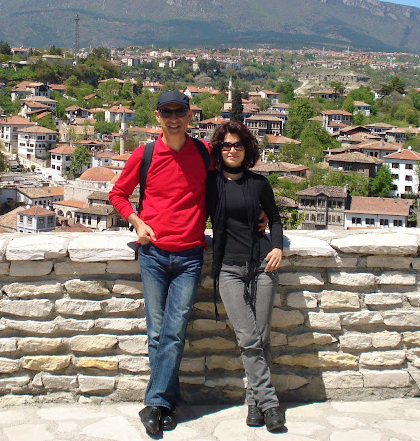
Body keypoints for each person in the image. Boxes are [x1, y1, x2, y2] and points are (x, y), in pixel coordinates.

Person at [108, 90, 209, 436]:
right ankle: (167, 402)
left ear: (190, 115)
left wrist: (261, 215)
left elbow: (229, 185)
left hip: (190, 254)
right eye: (167, 112)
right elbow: (117, 194)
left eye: (179, 111)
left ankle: (154, 403)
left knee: (174, 330)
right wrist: (137, 223)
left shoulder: (203, 153)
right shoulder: (146, 154)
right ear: (158, 117)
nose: (174, 118)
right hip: (153, 254)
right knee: (157, 332)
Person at [206, 120, 286, 432]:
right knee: (248, 337)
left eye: (237, 144)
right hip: (228, 269)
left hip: (262, 266)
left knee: (262, 337)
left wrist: (277, 246)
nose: (232, 150)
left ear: (246, 149)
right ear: (218, 150)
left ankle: (255, 403)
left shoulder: (259, 184)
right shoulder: (210, 184)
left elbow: (275, 218)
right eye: (226, 145)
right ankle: (270, 404)